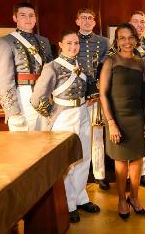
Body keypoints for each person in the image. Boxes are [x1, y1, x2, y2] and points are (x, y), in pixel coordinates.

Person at [30, 30, 100, 223]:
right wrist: (54, 113)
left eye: (76, 43)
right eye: (68, 43)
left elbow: (88, 89)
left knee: (84, 157)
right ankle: (69, 204)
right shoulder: (52, 67)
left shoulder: (82, 65)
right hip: (64, 118)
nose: (73, 47)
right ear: (60, 44)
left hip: (83, 113)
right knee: (68, 162)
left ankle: (80, 197)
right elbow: (37, 99)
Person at [99, 23, 145, 219]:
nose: (127, 41)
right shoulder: (110, 62)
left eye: (130, 37)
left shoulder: (140, 62)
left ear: (136, 39)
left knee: (138, 158)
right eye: (122, 38)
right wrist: (111, 122)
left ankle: (135, 197)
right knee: (121, 161)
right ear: (117, 41)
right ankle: (122, 200)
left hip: (137, 116)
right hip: (117, 117)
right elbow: (103, 94)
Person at [0, 1, 53, 131]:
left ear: (36, 18)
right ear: (15, 18)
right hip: (22, 95)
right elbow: (2, 80)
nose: (28, 19)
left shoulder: (44, 41)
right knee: (23, 144)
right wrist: (13, 111)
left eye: (31, 15)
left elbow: (51, 72)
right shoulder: (5, 42)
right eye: (23, 15)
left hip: (44, 94)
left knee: (46, 142)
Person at [75, 8, 110, 191]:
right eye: (83, 18)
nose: (87, 21)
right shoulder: (71, 40)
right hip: (76, 96)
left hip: (96, 95)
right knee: (79, 136)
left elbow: (106, 68)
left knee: (97, 136)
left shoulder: (103, 42)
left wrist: (97, 93)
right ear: (77, 21)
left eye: (90, 18)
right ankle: (80, 175)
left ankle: (100, 174)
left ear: (95, 22)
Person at [129, 10, 145, 188]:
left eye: (142, 22)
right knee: (130, 135)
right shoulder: (124, 43)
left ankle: (142, 173)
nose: (139, 25)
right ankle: (128, 175)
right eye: (136, 22)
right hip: (129, 95)